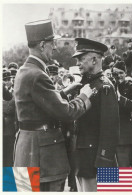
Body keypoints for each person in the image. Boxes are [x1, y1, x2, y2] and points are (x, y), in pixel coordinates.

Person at [13, 19, 94, 192]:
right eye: (52, 43)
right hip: (44, 157)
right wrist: (83, 97)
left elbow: (38, 106)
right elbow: (65, 112)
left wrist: (65, 91)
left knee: (21, 191)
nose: (55, 48)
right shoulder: (38, 75)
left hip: (25, 149)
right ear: (42, 45)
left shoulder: (24, 71)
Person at [72, 38, 120, 192]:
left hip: (96, 162)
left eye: (81, 58)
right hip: (85, 159)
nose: (78, 63)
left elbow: (110, 128)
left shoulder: (104, 87)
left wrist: (104, 161)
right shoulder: (87, 85)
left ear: (94, 60)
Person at [112, 61, 132, 167]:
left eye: (121, 73)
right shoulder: (108, 87)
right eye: (115, 74)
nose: (118, 76)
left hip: (125, 134)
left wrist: (121, 99)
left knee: (125, 168)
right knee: (112, 171)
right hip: (110, 134)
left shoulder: (131, 87)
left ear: (125, 73)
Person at [3, 69, 16, 166]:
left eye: (9, 79)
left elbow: (10, 108)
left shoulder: (15, 92)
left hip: (10, 128)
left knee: (9, 157)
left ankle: (7, 180)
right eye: (5, 79)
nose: (7, 81)